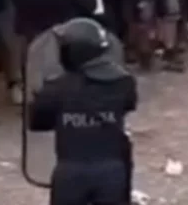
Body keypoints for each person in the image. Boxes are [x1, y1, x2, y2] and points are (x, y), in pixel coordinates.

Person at [28, 18, 136, 205]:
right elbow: (128, 105)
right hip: (113, 170)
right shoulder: (123, 83)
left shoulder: (56, 88)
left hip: (70, 173)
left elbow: (37, 123)